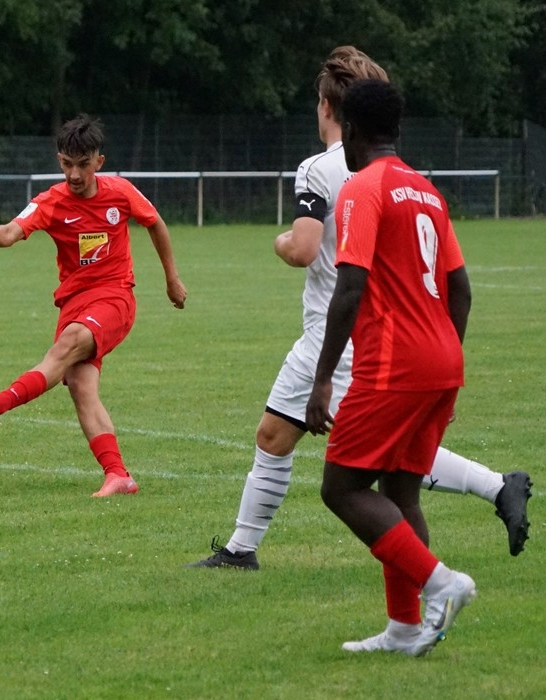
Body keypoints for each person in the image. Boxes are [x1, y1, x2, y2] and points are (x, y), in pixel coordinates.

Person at [187, 46, 531, 572]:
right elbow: (457, 286)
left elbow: (304, 249)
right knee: (283, 436)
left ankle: (487, 499)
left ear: (329, 108)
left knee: (374, 465)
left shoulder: (319, 169)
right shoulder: (410, 179)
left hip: (343, 335)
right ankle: (242, 548)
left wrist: (279, 242)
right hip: (383, 335)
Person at [305, 78, 476, 656]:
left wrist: (323, 380)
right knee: (401, 494)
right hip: (441, 360)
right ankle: (404, 629)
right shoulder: (427, 191)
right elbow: (461, 290)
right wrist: (444, 363)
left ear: (351, 130)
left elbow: (350, 288)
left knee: (341, 487)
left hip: (393, 365)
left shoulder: (362, 188)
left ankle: (441, 583)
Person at [0, 114, 188, 497]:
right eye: (67, 164)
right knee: (81, 387)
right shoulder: (51, 201)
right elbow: (10, 233)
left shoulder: (120, 192)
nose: (74, 174)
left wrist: (172, 279)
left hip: (115, 297)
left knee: (67, 345)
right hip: (73, 304)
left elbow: (155, 223)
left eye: (83, 165)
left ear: (99, 162)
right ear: (59, 160)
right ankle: (118, 475)